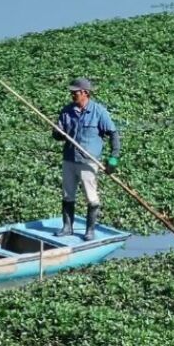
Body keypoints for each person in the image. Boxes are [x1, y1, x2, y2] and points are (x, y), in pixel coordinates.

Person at [53, 77, 120, 241]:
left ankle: (90, 231)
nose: (72, 94)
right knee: (68, 195)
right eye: (71, 92)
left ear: (85, 93)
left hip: (88, 162)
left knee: (91, 197)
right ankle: (67, 227)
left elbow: (113, 134)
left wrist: (113, 159)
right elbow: (58, 135)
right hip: (69, 159)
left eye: (75, 92)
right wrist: (56, 132)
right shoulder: (67, 111)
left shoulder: (99, 112)